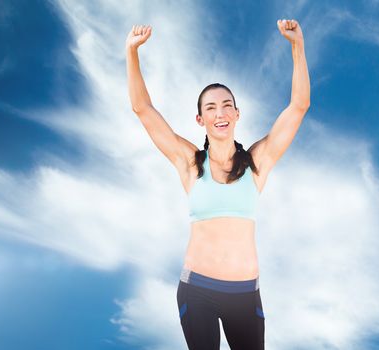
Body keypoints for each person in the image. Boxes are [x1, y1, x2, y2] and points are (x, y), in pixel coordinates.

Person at [125, 18, 310, 350]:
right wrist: (131, 53)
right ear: (201, 120)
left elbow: (298, 107)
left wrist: (298, 46)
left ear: (237, 114)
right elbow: (143, 108)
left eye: (227, 105)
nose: (220, 112)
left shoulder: (257, 162)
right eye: (211, 107)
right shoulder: (190, 163)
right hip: (198, 291)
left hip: (245, 294)